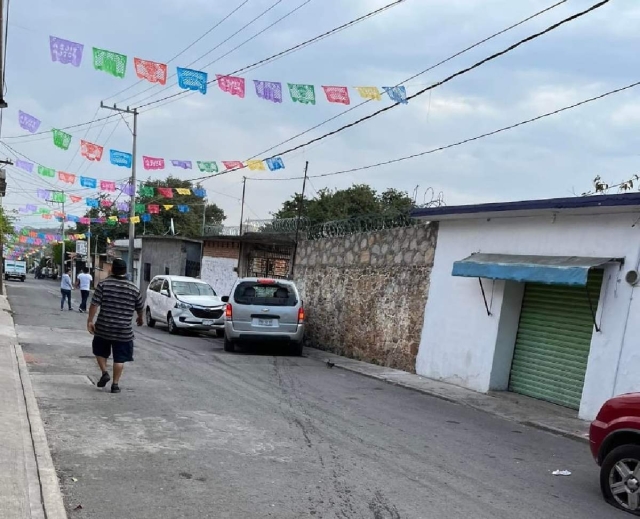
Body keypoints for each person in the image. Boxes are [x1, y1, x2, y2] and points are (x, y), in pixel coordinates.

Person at [86, 258, 143, 394]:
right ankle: (115, 385)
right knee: (120, 358)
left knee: (99, 351)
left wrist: (90, 320)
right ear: (125, 271)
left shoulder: (103, 285)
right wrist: (140, 318)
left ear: (111, 269)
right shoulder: (133, 288)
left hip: (104, 327)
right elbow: (140, 307)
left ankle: (105, 372)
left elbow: (94, 304)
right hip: (123, 331)